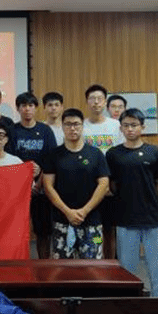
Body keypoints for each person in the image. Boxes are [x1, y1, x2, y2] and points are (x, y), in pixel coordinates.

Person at [106, 108, 158, 297]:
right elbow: (112, 184)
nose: (130, 129)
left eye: (134, 125)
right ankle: (130, 307)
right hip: (125, 219)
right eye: (126, 125)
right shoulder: (113, 154)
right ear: (121, 128)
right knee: (127, 271)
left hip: (152, 219)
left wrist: (146, 197)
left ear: (142, 127)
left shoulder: (155, 152)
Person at [42, 108, 110, 259]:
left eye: (76, 124)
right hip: (62, 222)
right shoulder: (53, 155)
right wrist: (68, 212)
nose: (72, 128)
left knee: (95, 266)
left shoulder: (96, 154)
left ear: (82, 126)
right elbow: (48, 186)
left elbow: (104, 185)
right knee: (62, 268)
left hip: (93, 223)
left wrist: (84, 211)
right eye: (68, 124)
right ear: (62, 126)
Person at [6, 92, 57, 258]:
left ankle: (44, 265)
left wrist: (39, 181)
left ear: (36, 108)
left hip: (41, 189)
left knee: (43, 231)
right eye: (23, 106)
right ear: (18, 109)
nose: (27, 109)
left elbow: (51, 161)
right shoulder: (12, 131)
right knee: (17, 230)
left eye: (30, 105)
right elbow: (8, 160)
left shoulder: (45, 130)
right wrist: (25, 178)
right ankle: (18, 263)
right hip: (17, 190)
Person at [83, 84, 124, 259]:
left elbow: (122, 154)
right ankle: (94, 263)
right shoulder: (81, 125)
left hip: (110, 187)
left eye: (99, 99)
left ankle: (111, 264)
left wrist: (112, 184)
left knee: (110, 229)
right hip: (87, 185)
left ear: (105, 102)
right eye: (92, 99)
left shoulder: (116, 125)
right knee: (91, 228)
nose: (96, 102)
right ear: (87, 102)